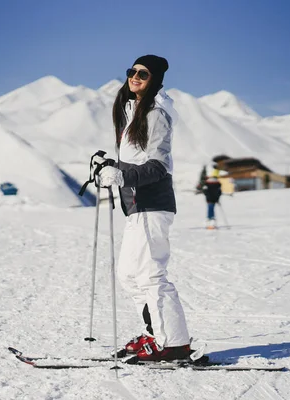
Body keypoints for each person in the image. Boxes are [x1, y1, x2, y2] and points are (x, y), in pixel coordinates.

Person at [94, 55, 191, 362]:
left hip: (153, 203)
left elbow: (159, 165)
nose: (135, 76)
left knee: (151, 275)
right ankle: (156, 335)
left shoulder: (156, 114)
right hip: (137, 206)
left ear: (155, 80)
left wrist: (124, 175)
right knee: (129, 276)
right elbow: (135, 158)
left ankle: (173, 344)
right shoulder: (131, 110)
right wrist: (113, 167)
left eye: (143, 73)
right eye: (132, 71)